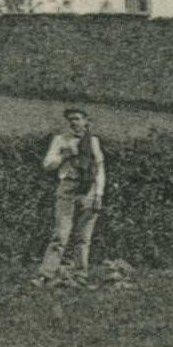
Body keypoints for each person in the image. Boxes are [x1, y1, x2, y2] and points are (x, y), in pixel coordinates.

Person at [34, 107, 104, 284]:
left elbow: (99, 168)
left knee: (84, 236)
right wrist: (64, 155)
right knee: (61, 233)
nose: (74, 122)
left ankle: (80, 275)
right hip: (68, 186)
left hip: (89, 188)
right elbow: (47, 164)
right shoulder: (60, 139)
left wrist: (99, 193)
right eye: (71, 119)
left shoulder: (93, 141)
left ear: (86, 121)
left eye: (78, 118)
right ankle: (46, 274)